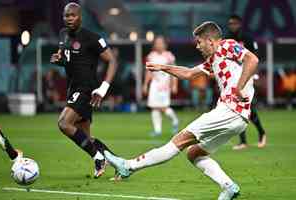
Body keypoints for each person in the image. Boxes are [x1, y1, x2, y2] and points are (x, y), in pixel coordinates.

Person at [104, 21, 259, 200]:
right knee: (194, 153)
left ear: (210, 40)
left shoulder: (227, 45)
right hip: (238, 119)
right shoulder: (214, 59)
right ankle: (228, 187)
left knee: (178, 141)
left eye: (200, 42)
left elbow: (252, 59)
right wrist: (164, 68)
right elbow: (189, 73)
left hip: (229, 110)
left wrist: (239, 88)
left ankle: (128, 166)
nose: (197, 46)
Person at [50, 2, 117, 178]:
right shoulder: (63, 34)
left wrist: (103, 88)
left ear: (80, 17)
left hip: (86, 88)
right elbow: (65, 56)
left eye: (73, 15)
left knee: (64, 123)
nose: (69, 18)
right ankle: (121, 165)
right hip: (73, 88)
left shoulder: (92, 38)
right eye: (66, 15)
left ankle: (98, 158)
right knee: (87, 138)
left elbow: (112, 61)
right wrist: (59, 59)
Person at [226, 14, 266, 150]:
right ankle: (243, 141)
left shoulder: (247, 38)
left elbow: (255, 57)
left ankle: (261, 133)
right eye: (230, 24)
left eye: (234, 23)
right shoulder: (228, 40)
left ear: (239, 24)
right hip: (233, 76)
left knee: (246, 107)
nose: (232, 26)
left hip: (246, 75)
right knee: (237, 107)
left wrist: (254, 74)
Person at [143, 36, 179, 136]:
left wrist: (174, 85)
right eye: (156, 43)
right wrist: (145, 84)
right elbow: (148, 72)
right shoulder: (151, 56)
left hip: (164, 85)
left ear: (164, 44)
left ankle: (175, 120)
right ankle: (157, 130)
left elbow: (174, 71)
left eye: (160, 43)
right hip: (154, 84)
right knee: (154, 107)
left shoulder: (169, 56)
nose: (158, 45)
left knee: (163, 107)